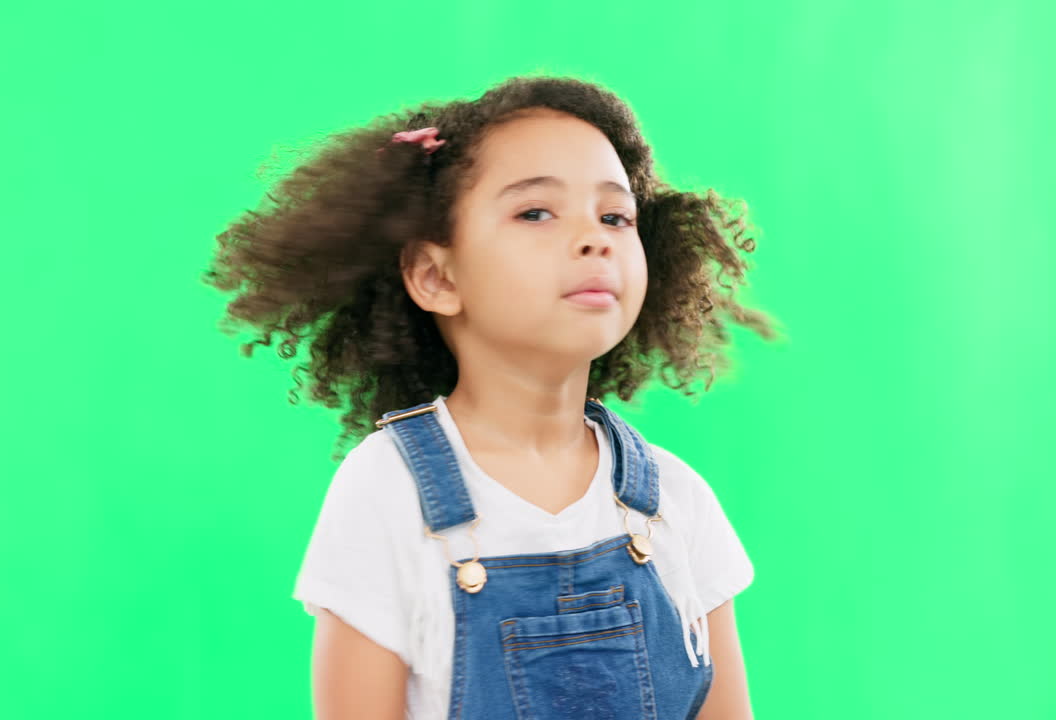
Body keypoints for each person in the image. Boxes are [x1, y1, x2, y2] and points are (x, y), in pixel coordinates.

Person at [203, 74, 779, 719]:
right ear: (435, 275)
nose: (596, 238)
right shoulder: (390, 492)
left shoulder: (676, 501)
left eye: (615, 215)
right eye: (536, 212)